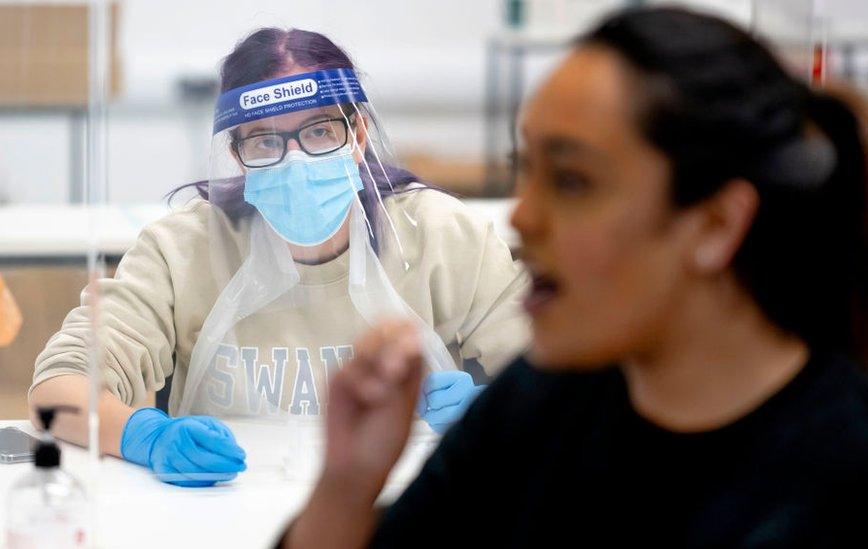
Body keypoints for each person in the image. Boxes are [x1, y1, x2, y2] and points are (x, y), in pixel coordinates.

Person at [281, 7, 868, 547]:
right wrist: (348, 482)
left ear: (714, 225)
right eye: (529, 170)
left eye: (573, 180)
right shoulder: (539, 408)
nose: (523, 215)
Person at [28, 28, 529, 487]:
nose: (295, 161)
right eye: (266, 141)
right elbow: (56, 390)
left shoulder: (440, 235)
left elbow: (573, 379)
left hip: (410, 510)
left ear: (356, 136)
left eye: (318, 132)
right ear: (238, 153)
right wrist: (145, 436)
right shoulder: (184, 250)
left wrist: (493, 407)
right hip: (223, 511)